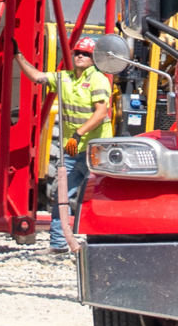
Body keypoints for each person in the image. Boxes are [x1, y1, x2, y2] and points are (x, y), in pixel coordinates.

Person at [16, 34, 115, 252]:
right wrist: (18, 56)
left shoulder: (98, 80)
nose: (80, 56)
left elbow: (101, 112)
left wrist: (79, 133)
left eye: (86, 54)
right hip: (73, 146)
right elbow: (37, 77)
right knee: (60, 195)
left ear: (93, 59)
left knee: (101, 196)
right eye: (78, 52)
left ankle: (103, 245)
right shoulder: (64, 78)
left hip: (96, 148)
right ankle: (59, 244)